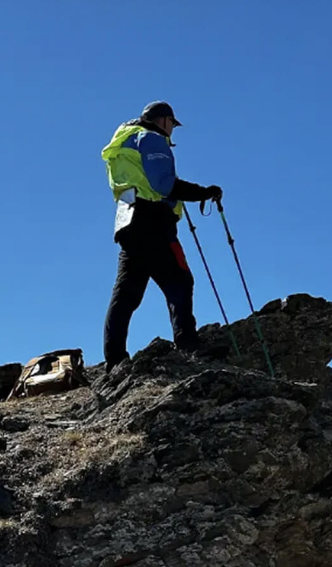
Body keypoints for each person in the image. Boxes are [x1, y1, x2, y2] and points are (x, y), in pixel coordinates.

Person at [100, 101, 222, 371]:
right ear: (164, 120)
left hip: (127, 221)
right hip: (153, 220)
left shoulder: (122, 142)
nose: (172, 131)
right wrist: (203, 192)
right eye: (172, 125)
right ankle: (188, 345)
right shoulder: (152, 139)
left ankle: (115, 359)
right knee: (179, 280)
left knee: (126, 295)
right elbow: (163, 185)